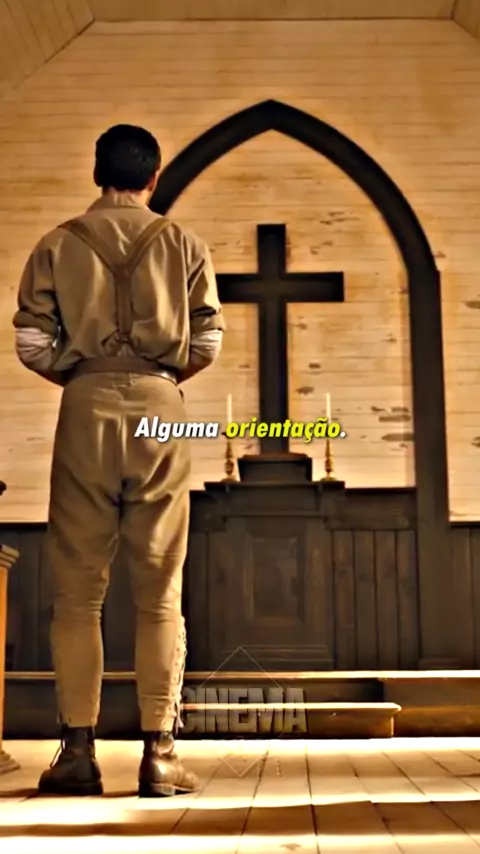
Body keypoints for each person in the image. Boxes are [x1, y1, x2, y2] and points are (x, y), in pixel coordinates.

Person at [12, 124, 225, 797]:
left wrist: (83, 374)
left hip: (85, 408)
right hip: (161, 409)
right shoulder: (185, 244)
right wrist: (158, 377)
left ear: (96, 173)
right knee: (160, 589)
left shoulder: (56, 244)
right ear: (154, 177)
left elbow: (30, 343)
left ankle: (78, 752)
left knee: (78, 591)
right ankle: (160, 753)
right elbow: (208, 341)